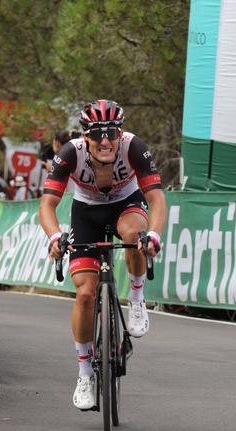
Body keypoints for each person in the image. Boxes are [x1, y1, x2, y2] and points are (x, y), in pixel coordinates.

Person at [39, 100, 166, 410]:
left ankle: (136, 297)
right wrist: (55, 236)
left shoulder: (134, 146)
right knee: (85, 293)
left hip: (126, 204)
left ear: (120, 133)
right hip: (86, 214)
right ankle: (84, 374)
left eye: (111, 133)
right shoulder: (70, 153)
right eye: (97, 135)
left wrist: (155, 236)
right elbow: (47, 204)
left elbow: (157, 198)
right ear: (85, 137)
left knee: (134, 235)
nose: (105, 141)